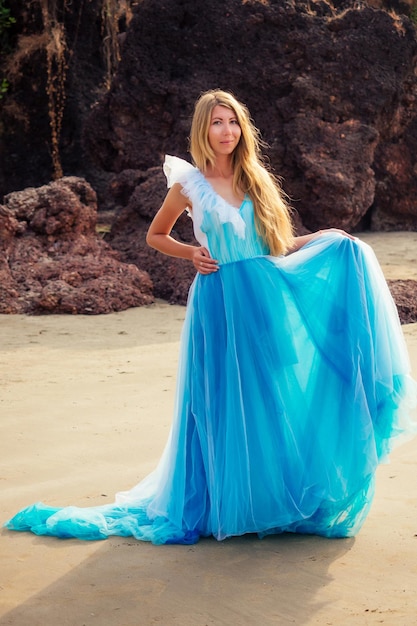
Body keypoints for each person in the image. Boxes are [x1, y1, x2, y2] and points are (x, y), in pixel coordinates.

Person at [5, 89, 416, 544]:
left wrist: (320, 237)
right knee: (220, 398)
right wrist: (191, 253)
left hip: (264, 296)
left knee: (269, 395)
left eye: (234, 122)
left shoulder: (256, 179)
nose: (227, 131)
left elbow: (275, 244)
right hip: (219, 299)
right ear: (204, 129)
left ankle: (269, 499)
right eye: (218, 122)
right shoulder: (189, 184)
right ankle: (223, 503)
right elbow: (155, 235)